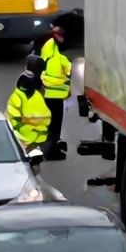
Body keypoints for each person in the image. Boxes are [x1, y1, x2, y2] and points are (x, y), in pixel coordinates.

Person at [38, 27, 73, 159]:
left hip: (47, 93)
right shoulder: (57, 56)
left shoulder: (48, 48)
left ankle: (47, 148)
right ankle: (52, 152)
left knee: (49, 124)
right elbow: (68, 71)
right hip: (56, 96)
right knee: (55, 126)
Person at [5, 64, 51, 154]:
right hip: (37, 137)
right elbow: (47, 116)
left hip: (27, 137)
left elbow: (12, 120)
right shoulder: (36, 96)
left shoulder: (17, 97)